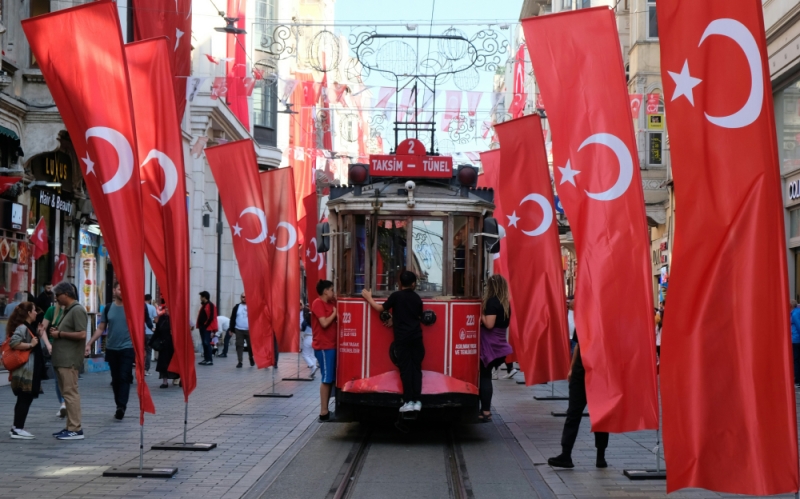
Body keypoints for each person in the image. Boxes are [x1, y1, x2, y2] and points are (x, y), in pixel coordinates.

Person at [85, 282, 153, 420]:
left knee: (124, 376)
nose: (122, 292)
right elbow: (101, 328)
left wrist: (142, 348)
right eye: (119, 289)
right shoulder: (108, 308)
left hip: (128, 348)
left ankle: (121, 406)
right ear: (114, 290)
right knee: (115, 379)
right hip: (112, 348)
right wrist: (89, 343)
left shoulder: (132, 307)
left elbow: (140, 328)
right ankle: (119, 404)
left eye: (124, 289)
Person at [548, 321, 609, 469]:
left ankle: (601, 455)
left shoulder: (606, 321)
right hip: (580, 373)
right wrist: (571, 368)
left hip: (600, 373)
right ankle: (566, 454)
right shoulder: (584, 320)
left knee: (600, 415)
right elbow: (578, 346)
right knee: (573, 413)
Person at [362, 270, 425, 413]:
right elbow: (417, 316)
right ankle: (417, 401)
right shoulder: (417, 298)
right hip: (416, 338)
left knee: (405, 370)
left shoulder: (396, 296)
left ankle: (408, 401)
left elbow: (380, 308)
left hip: (402, 339)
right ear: (414, 284)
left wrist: (369, 298)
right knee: (416, 369)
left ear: (400, 283)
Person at [49, 281, 88, 440]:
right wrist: (57, 331)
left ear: (66, 294)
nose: (56, 298)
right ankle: (70, 426)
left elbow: (82, 334)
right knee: (67, 393)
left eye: (58, 295)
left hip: (69, 360)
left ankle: (75, 429)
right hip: (62, 359)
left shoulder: (77, 310)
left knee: (71, 393)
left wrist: (60, 334)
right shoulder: (68, 310)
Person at [478, 274, 513, 422]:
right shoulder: (505, 303)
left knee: (485, 377)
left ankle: (485, 411)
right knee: (486, 377)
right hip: (499, 343)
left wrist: (480, 314)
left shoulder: (492, 302)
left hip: (490, 345)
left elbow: (489, 324)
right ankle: (485, 410)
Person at [8, 302, 43, 439]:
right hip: (25, 371)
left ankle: (16, 427)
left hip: (29, 369)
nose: (36, 313)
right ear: (28, 313)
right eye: (34, 310)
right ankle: (18, 428)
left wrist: (38, 334)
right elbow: (14, 343)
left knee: (24, 398)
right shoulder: (23, 327)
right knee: (25, 398)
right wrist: (30, 344)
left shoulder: (28, 327)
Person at [311, 280, 337, 421]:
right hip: (323, 346)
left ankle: (326, 410)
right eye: (331, 290)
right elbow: (324, 323)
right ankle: (323, 412)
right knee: (326, 378)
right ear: (325, 291)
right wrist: (334, 314)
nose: (333, 292)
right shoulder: (318, 303)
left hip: (331, 345)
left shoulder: (331, 303)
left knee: (330, 378)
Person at [39, 303, 66, 418]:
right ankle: (63, 403)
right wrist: (48, 344)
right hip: (55, 348)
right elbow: (42, 329)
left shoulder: (74, 309)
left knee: (68, 378)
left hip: (69, 348)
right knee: (58, 378)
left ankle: (67, 403)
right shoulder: (52, 310)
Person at [151, 308, 180, 388]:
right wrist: (151, 342)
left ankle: (179, 378)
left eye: (168, 308)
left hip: (174, 345)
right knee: (163, 364)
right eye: (166, 308)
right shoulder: (162, 318)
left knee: (175, 362)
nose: (167, 310)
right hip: (164, 345)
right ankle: (165, 381)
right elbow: (157, 331)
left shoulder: (176, 317)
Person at [229, 293, 253, 368]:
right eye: (243, 297)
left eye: (246, 297)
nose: (244, 298)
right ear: (240, 298)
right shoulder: (237, 307)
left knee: (250, 346)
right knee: (239, 345)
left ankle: (251, 357)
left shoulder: (251, 307)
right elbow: (232, 318)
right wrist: (231, 329)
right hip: (238, 329)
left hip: (249, 330)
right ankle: (240, 361)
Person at [196, 291, 218, 366]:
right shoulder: (204, 305)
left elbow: (211, 317)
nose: (200, 298)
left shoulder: (210, 305)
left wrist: (206, 325)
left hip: (207, 328)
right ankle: (206, 359)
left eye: (201, 297)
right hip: (202, 327)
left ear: (204, 297)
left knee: (207, 343)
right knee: (204, 343)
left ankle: (209, 360)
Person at [300, 301, 316, 373]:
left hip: (307, 337)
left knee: (305, 354)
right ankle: (313, 370)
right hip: (314, 338)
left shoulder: (306, 321)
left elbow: (302, 328)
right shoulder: (316, 320)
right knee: (313, 355)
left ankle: (312, 365)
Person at [144, 294, 157, 376]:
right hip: (150, 332)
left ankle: (139, 368)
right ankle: (146, 370)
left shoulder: (140, 306)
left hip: (141, 331)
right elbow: (156, 319)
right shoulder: (152, 308)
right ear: (150, 300)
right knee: (148, 351)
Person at [791, 300, 800, 387]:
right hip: (797, 339)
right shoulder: (797, 312)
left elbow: (798, 326)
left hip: (796, 339)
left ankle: (797, 380)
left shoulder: (794, 314)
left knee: (796, 360)